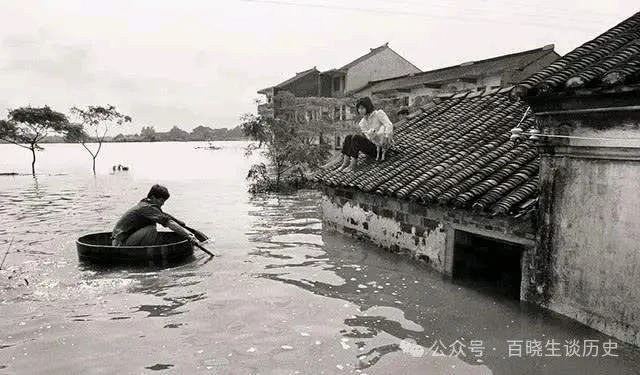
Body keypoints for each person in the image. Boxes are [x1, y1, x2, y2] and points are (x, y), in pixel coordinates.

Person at [111, 184, 198, 246]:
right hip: (120, 243)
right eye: (161, 200)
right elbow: (168, 222)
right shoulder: (145, 207)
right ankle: (144, 253)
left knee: (152, 227)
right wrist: (188, 236)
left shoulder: (146, 204)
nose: (163, 204)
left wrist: (181, 224)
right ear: (153, 198)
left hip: (125, 239)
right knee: (151, 229)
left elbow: (165, 216)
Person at [323, 97, 393, 171]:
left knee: (356, 137)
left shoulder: (379, 113)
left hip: (383, 147)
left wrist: (386, 136)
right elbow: (368, 138)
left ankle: (353, 164)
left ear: (368, 107)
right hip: (372, 148)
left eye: (362, 108)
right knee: (349, 137)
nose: (360, 110)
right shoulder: (362, 123)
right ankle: (345, 162)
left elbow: (389, 125)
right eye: (359, 108)